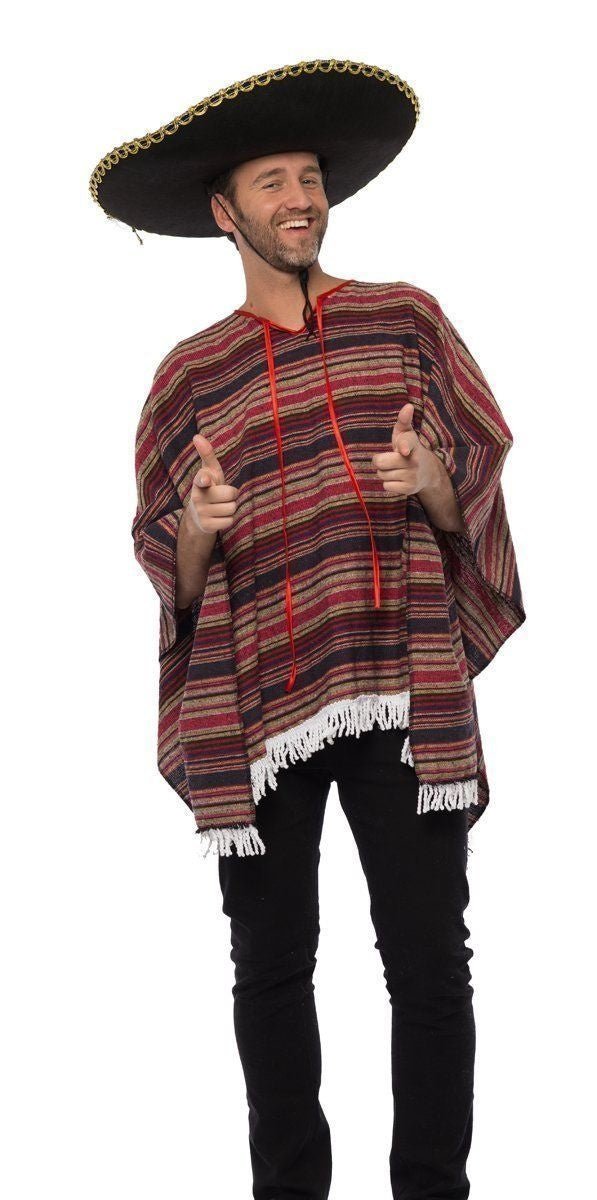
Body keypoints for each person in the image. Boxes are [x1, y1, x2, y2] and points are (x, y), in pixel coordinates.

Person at [90, 58, 526, 1199]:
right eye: (272, 182)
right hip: (262, 701)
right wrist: (196, 532)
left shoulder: (405, 319)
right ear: (224, 212)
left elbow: (479, 470)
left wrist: (435, 484)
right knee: (271, 968)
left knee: (430, 963)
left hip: (404, 683)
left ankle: (431, 1188)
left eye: (311, 177)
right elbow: (164, 557)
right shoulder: (191, 376)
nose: (301, 199)